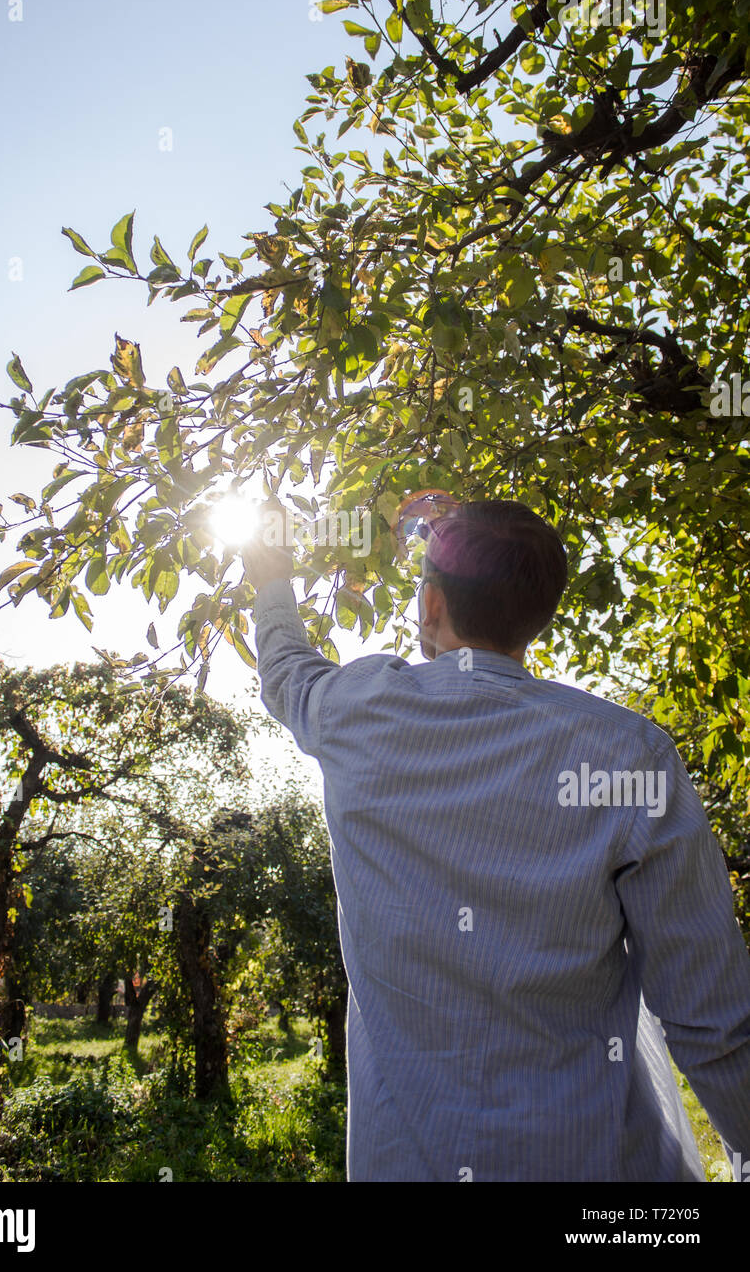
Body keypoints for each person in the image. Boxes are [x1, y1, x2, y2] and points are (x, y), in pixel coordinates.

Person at [242, 496, 750, 1182]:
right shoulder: (629, 756)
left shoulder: (357, 712)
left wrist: (272, 575)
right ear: (540, 612)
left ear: (430, 604)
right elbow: (713, 1021)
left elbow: (285, 668)